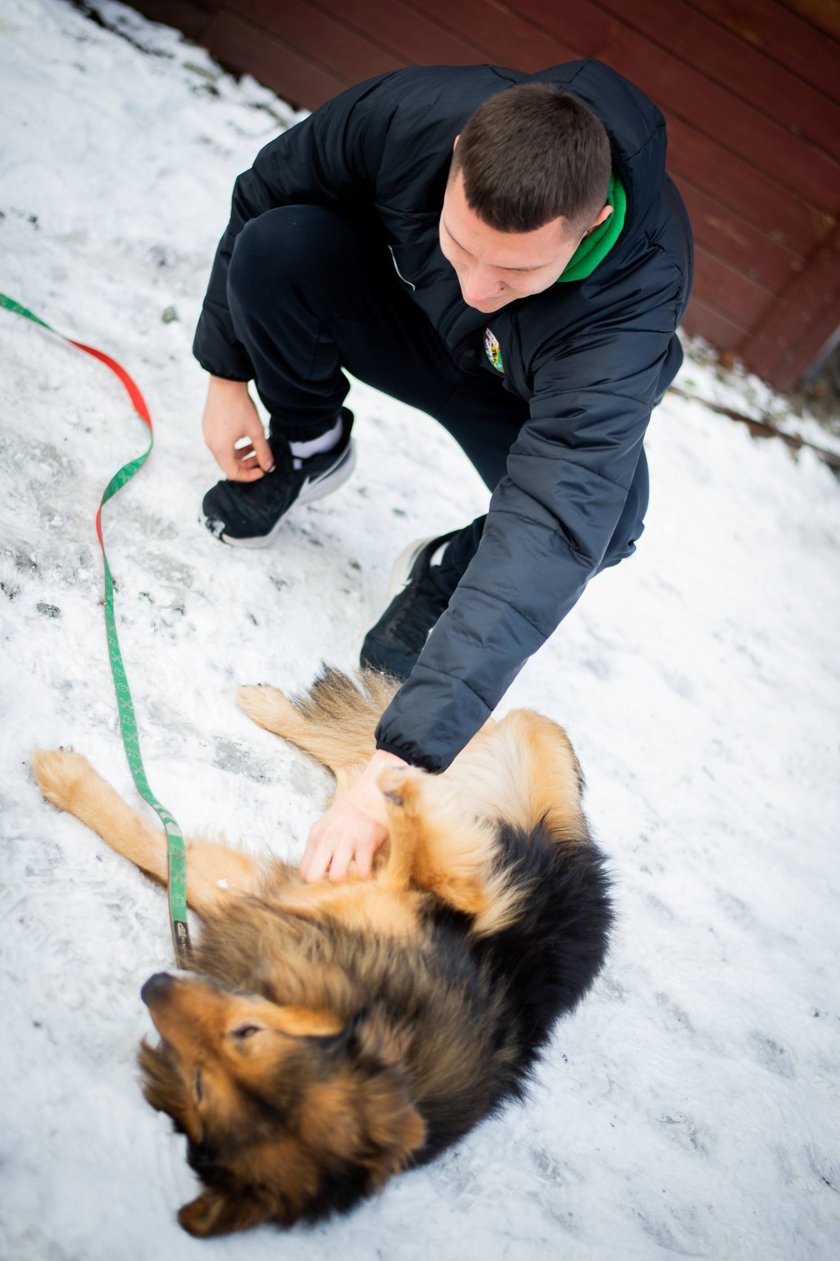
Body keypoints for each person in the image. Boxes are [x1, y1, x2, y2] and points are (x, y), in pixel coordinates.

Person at [193, 61, 693, 883]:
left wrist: (398, 759)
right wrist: (225, 372)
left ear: (592, 222)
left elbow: (556, 520)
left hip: (523, 395)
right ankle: (310, 445)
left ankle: (444, 574)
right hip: (408, 318)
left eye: (519, 271)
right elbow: (267, 186)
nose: (481, 283)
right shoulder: (411, 115)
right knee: (277, 242)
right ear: (458, 153)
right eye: (463, 244)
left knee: (611, 515)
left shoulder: (630, 306)